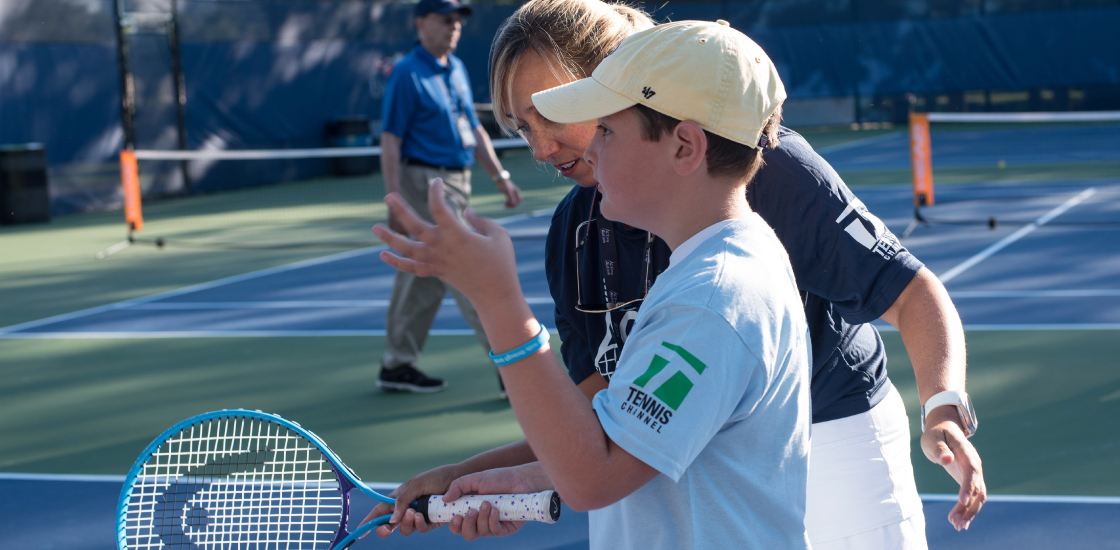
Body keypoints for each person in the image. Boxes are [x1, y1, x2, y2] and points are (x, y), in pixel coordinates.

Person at [368, 0, 985, 547]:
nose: (540, 149)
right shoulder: (582, 228)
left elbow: (910, 291)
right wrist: (474, 480)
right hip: (685, 465)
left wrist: (944, 405)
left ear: (627, 86)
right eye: (523, 126)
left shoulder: (747, 204)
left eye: (562, 116)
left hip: (826, 439)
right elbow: (602, 432)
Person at [371, 20, 813, 548]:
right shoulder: (713, 273)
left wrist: (498, 300)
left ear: (684, 147)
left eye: (607, 130)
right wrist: (495, 477)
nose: (591, 151)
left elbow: (594, 476)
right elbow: (618, 439)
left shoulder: (713, 300)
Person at [377, 0, 522, 393]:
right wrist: (394, 198)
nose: (453, 28)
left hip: (456, 182)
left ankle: (397, 364)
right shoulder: (407, 73)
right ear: (421, 23)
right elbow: (391, 140)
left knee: (423, 275)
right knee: (465, 268)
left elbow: (473, 131)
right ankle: (509, 364)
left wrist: (500, 176)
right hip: (425, 183)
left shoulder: (455, 69)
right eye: (445, 20)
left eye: (457, 22)